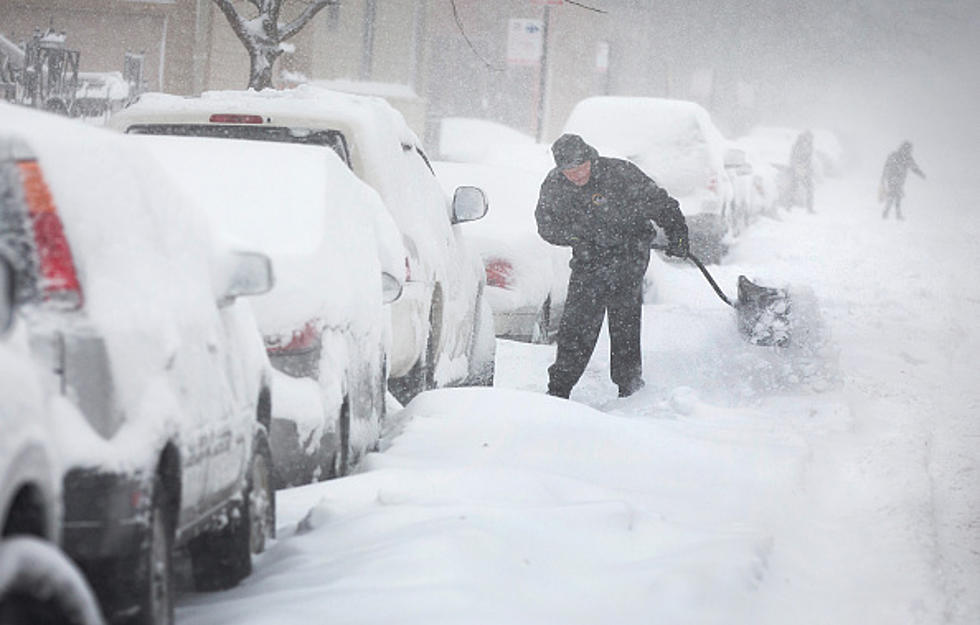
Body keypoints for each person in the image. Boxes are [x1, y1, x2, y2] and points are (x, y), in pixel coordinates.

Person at [535, 134, 688, 399]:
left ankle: (629, 385)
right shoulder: (555, 185)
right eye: (570, 171)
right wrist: (579, 238)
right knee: (578, 321)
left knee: (624, 318)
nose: (577, 175)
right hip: (589, 258)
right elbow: (546, 226)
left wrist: (678, 234)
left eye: (581, 167)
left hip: (629, 253)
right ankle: (559, 388)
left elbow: (662, 204)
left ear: (590, 159)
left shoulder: (620, 174)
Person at [880, 141, 925, 220]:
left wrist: (884, 176)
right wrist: (920, 174)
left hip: (895, 179)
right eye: (908, 149)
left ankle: (888, 212)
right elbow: (914, 168)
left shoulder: (897, 156)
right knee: (896, 195)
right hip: (895, 179)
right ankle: (894, 213)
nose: (909, 151)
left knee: (895, 195)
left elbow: (887, 166)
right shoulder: (905, 158)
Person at [787, 129, 815, 213]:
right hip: (799, 169)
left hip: (803, 169)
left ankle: (789, 206)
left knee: (796, 187)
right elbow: (795, 157)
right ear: (806, 137)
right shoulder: (800, 145)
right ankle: (789, 206)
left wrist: (808, 168)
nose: (811, 140)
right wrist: (798, 167)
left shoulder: (808, 145)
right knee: (796, 187)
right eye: (810, 138)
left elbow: (807, 159)